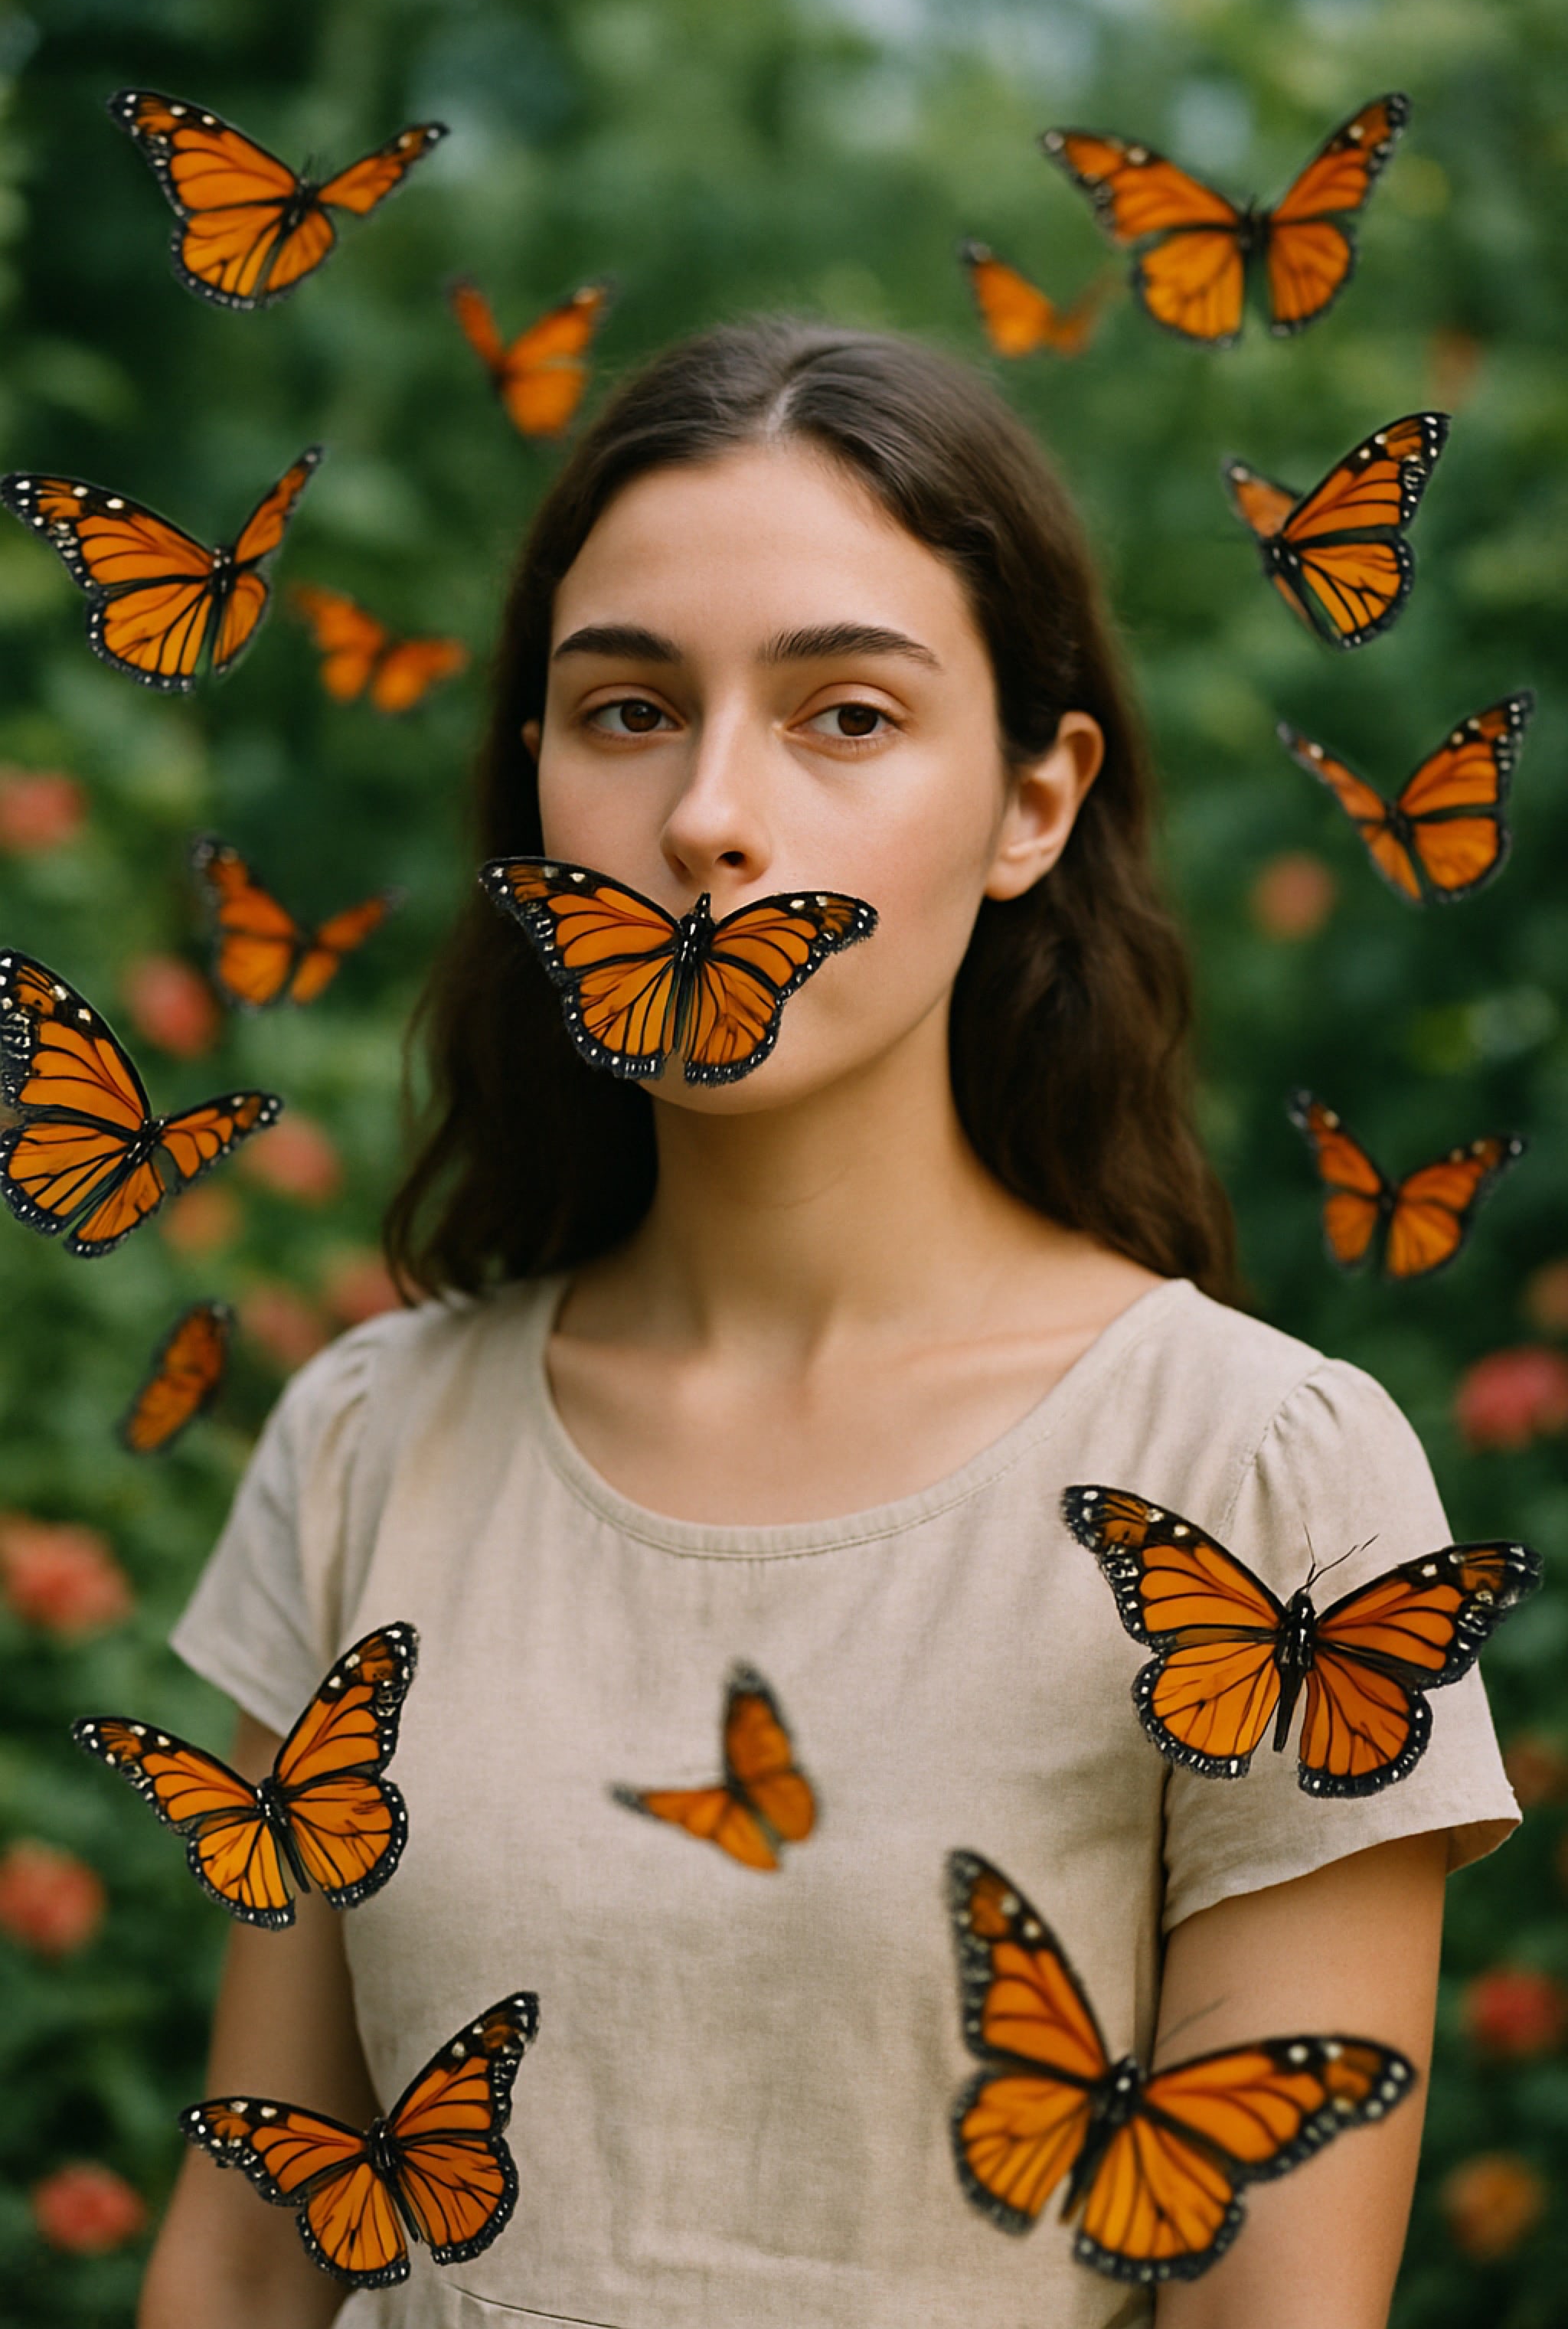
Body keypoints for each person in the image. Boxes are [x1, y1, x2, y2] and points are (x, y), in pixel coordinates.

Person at [139, 319, 1518, 2329]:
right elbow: (256, 2251)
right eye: (623, 711)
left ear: (1036, 802)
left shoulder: (1259, 1483)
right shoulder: (368, 1439)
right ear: (536, 788)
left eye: (845, 716)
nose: (709, 815)